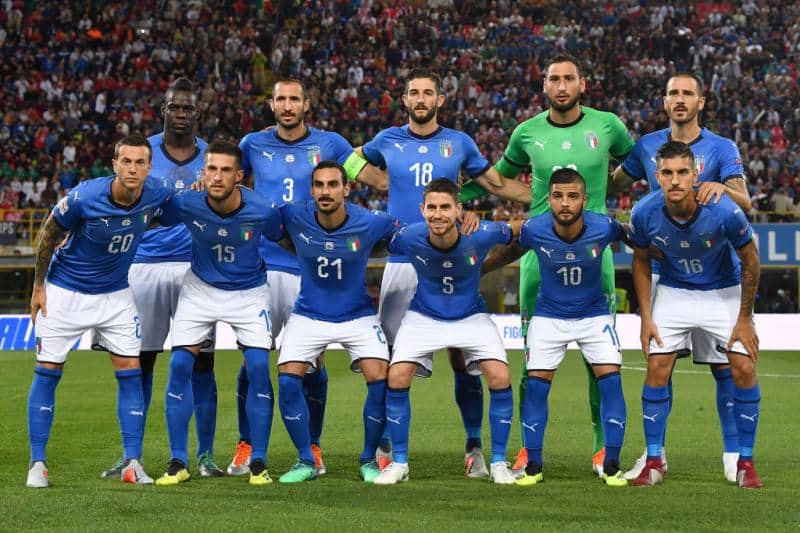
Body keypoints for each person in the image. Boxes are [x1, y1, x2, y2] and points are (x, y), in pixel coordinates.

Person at [359, 68, 531, 477]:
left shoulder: (459, 142)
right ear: (405, 99)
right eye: (413, 92)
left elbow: (496, 185)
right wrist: (379, 181)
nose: (420, 99)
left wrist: (544, 198)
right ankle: (385, 447)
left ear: (440, 99)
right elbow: (348, 159)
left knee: (461, 356)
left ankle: (474, 446)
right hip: (402, 262)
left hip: (448, 259)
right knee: (388, 361)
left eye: (428, 93)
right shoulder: (386, 140)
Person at [477, 53, 634, 476]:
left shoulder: (608, 125)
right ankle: (528, 450)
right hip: (539, 255)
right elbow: (498, 177)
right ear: (544, 85)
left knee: (601, 363)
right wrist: (465, 195)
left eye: (568, 78)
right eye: (553, 79)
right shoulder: (526, 132)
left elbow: (635, 163)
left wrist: (608, 190)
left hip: (595, 253)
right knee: (534, 360)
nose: (561, 86)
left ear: (582, 83)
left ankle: (602, 449)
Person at [229, 78, 387, 476]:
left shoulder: (331, 144)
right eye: (280, 99)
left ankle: (312, 448)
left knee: (312, 363)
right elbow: (228, 182)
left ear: (306, 105)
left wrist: (423, 186)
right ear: (271, 105)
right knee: (253, 362)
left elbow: (376, 179)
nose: (287, 106)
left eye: (294, 99)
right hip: (260, 269)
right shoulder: (252, 144)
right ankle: (247, 444)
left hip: (309, 269)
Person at [611, 73, 752, 482]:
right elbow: (614, 184)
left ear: (700, 102)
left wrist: (717, 186)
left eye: (687, 93)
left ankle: (732, 454)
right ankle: (655, 454)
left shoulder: (722, 148)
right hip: (662, 270)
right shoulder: (647, 146)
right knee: (661, 364)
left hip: (714, 273)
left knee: (723, 367)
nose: (679, 99)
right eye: (673, 92)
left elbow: (744, 199)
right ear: (664, 100)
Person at [26, 135, 173, 488]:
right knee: (48, 371)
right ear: (114, 164)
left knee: (131, 371)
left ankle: (132, 463)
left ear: (149, 167)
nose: (133, 168)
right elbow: (48, 233)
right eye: (126, 161)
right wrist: (39, 286)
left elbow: (175, 209)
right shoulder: (85, 196)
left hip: (115, 295)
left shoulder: (158, 192)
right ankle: (37, 464)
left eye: (140, 162)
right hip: (65, 292)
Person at [101, 77, 223, 480]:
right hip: (144, 267)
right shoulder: (142, 153)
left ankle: (205, 456)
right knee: (140, 363)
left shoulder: (212, 157)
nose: (182, 114)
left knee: (202, 365)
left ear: (198, 113)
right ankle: (130, 455)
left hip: (196, 269)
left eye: (189, 108)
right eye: (175, 107)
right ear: (164, 109)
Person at [629, 141, 762, 489]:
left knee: (744, 367)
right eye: (667, 173)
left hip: (723, 290)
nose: (675, 180)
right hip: (675, 291)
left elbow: (751, 259)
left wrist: (744, 318)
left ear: (695, 174)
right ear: (657, 176)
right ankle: (654, 460)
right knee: (657, 367)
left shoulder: (724, 210)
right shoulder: (643, 212)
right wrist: (646, 317)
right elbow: (640, 261)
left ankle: (746, 462)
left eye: (682, 172)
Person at [485, 168, 629, 487]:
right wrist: (480, 270)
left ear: (584, 200)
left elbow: (640, 239)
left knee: (611, 385)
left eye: (572, 196)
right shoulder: (534, 229)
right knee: (536, 388)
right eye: (558, 196)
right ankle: (534, 467)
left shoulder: (604, 226)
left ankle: (612, 465)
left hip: (594, 317)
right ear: (548, 199)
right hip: (548, 318)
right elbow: (509, 250)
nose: (565, 203)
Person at [154, 140, 283, 487]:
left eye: (226, 170)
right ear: (203, 172)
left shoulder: (262, 208)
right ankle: (178, 460)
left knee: (259, 367)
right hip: (200, 288)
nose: (217, 176)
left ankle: (259, 461)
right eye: (211, 169)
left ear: (239, 176)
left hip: (249, 291)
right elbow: (154, 216)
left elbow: (281, 234)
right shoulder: (187, 202)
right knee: (180, 365)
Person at [373, 179, 516, 486]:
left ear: (459, 210)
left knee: (500, 376)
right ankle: (399, 463)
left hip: (471, 316)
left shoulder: (482, 233)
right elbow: (381, 239)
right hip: (424, 315)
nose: (438, 214)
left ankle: (498, 463)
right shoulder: (409, 237)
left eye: (445, 207)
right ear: (422, 209)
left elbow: (520, 230)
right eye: (432, 208)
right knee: (397, 376)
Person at [275, 161, 396, 484]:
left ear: (347, 189)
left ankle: (369, 458)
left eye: (332, 184)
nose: (325, 191)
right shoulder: (294, 216)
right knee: (287, 381)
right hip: (308, 313)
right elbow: (258, 216)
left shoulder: (370, 221)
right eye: (319, 185)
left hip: (358, 315)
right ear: (311, 189)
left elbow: (404, 231)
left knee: (381, 379)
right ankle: (306, 459)